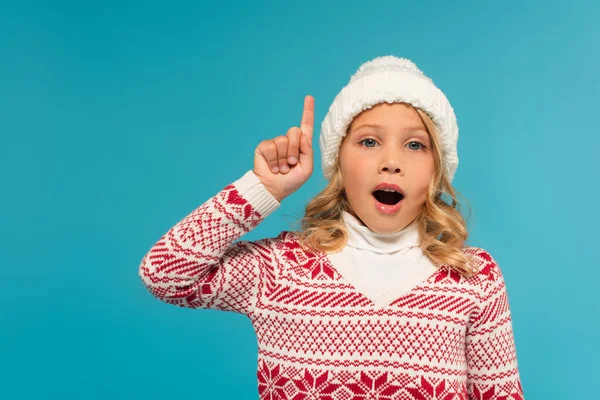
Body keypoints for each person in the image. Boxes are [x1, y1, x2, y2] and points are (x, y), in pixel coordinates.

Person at [139, 56, 524, 399]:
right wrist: (262, 189)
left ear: (438, 169)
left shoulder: (474, 277)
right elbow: (165, 275)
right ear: (338, 163)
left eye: (415, 145)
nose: (391, 161)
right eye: (369, 141)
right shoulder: (281, 268)